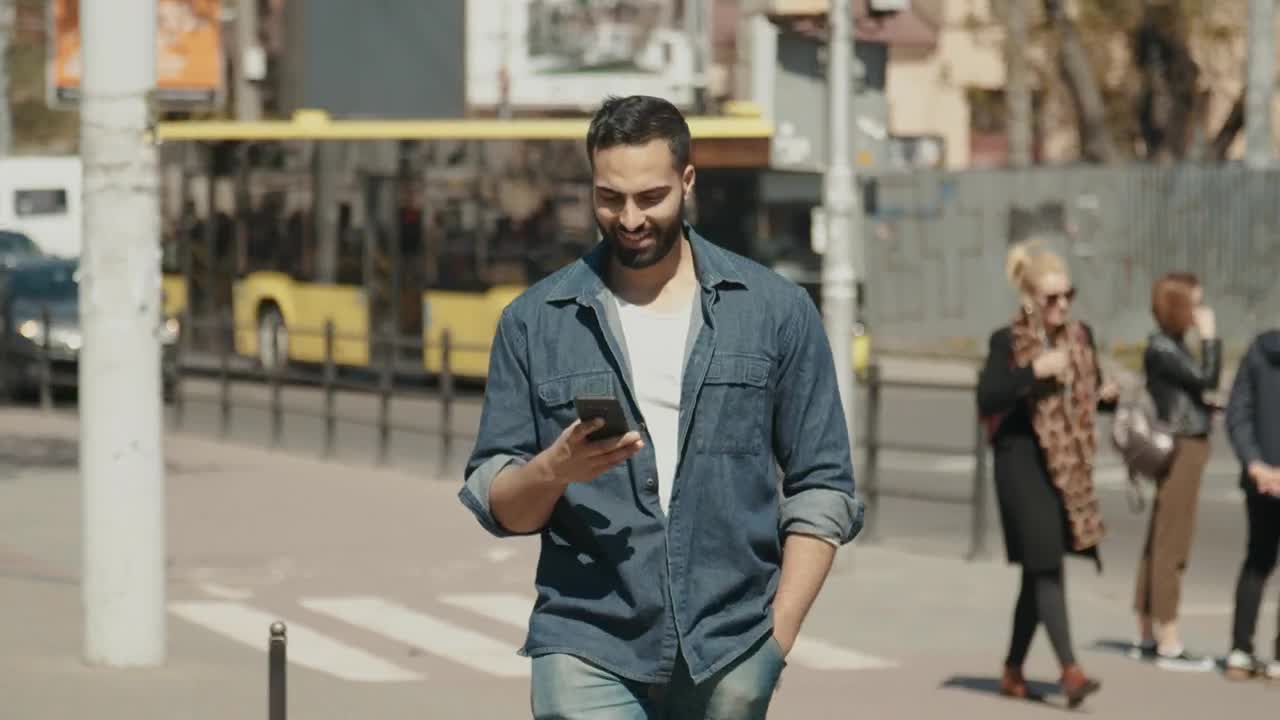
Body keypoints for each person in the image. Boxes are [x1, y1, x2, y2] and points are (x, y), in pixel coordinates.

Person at [459, 95, 863, 719]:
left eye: (651, 197)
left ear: (687, 182)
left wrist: (774, 643)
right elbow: (499, 505)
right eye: (609, 197)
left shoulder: (774, 312)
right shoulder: (535, 323)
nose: (629, 218)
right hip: (586, 640)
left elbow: (823, 485)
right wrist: (554, 470)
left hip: (731, 647)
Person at [977, 240, 1115, 709]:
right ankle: (1071, 671)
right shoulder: (1008, 341)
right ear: (1030, 298)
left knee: (1037, 573)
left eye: (1066, 295)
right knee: (1046, 567)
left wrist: (1108, 395)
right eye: (1050, 297)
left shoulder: (1081, 337)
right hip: (1020, 463)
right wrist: (1033, 371)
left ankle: (1013, 670)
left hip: (1066, 468)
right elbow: (989, 397)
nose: (1061, 305)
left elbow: (1090, 392)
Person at [1131, 272, 1222, 671]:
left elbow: (1191, 391)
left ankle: (1147, 632)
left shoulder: (1166, 347)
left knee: (1160, 537)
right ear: (1179, 307)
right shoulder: (1164, 348)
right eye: (1195, 304)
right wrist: (1211, 338)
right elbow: (1208, 378)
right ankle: (1168, 637)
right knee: (1173, 540)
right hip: (1184, 445)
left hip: (1183, 438)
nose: (1201, 311)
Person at [1223, 328, 1280, 681]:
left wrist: (1256, 463)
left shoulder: (1259, 349)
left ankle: (1240, 651)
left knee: (1257, 559)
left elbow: (1238, 412)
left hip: (1259, 477)